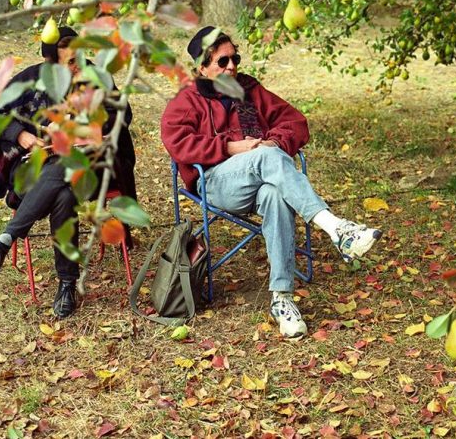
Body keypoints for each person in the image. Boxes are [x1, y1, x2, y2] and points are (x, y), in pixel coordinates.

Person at [160, 26, 381, 338]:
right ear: (203, 68)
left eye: (234, 58)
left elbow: (295, 122)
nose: (232, 67)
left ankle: (282, 299)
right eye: (222, 62)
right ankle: (336, 227)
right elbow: (177, 143)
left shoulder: (249, 90)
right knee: (267, 158)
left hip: (261, 176)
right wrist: (231, 147)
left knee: (275, 193)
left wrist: (273, 142)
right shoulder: (187, 101)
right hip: (216, 183)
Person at [0, 26, 137, 319]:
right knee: (62, 192)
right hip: (36, 170)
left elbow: (122, 115)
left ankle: (7, 238)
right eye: (69, 62)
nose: (77, 67)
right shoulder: (31, 80)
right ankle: (67, 284)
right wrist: (21, 135)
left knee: (68, 178)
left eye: (79, 58)